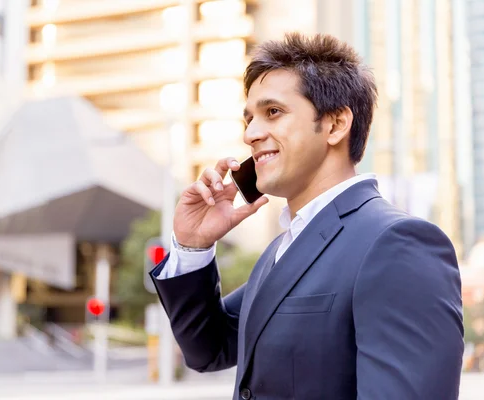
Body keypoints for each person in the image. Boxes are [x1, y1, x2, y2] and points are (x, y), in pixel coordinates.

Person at [149, 32, 464, 399]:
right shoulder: (281, 250)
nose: (251, 133)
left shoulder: (398, 244)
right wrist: (193, 246)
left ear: (335, 125)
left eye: (273, 112)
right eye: (248, 119)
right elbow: (208, 350)